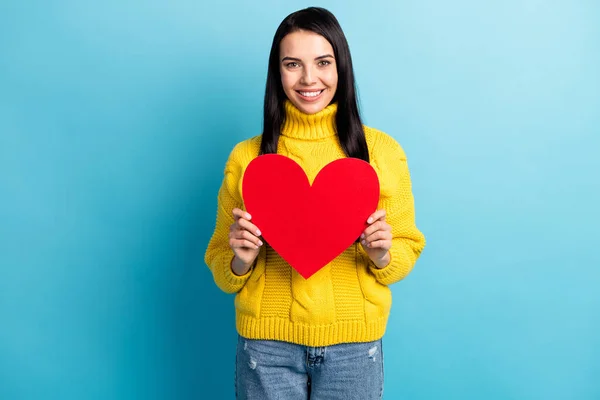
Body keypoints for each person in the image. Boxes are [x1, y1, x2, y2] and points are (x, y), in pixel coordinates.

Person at [205, 7, 425, 400]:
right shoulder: (247, 158)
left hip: (354, 348)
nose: (309, 79)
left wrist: (382, 254)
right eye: (293, 64)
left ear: (341, 66)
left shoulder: (382, 152)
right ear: (277, 73)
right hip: (266, 347)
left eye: (323, 62)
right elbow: (223, 271)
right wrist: (241, 258)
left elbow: (407, 249)